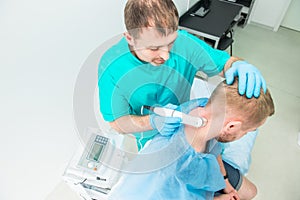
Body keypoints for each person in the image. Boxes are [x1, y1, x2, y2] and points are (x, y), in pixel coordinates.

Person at [98, 0, 267, 149]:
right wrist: (152, 121)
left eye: (170, 43)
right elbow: (117, 123)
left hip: (186, 122)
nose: (165, 56)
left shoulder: (185, 42)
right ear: (130, 38)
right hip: (149, 134)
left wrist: (237, 64)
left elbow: (224, 64)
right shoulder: (111, 68)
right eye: (154, 48)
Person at [108, 78, 275, 200]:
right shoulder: (175, 172)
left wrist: (225, 182)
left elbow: (214, 149)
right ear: (231, 127)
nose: (246, 135)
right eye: (248, 131)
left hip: (198, 175)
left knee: (250, 191)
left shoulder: (204, 108)